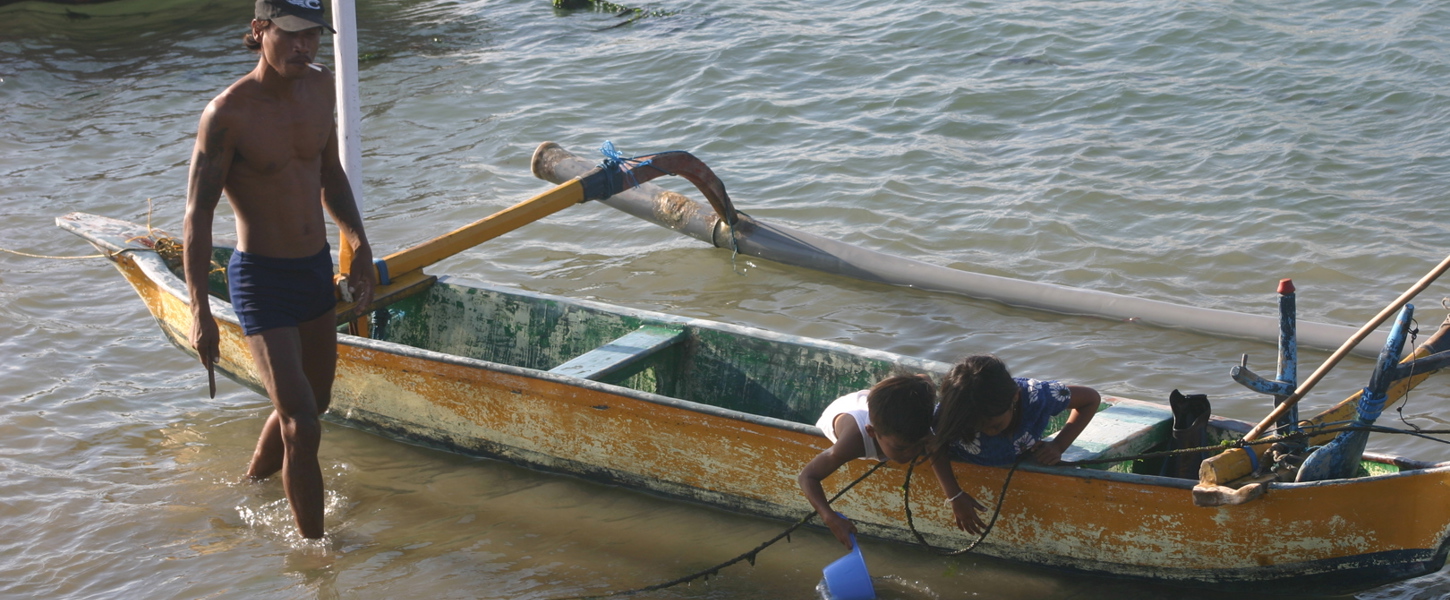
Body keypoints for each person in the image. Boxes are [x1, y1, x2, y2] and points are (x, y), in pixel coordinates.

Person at [183, 0, 376, 540]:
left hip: (313, 270)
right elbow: (198, 214)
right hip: (261, 281)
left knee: (316, 403)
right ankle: (316, 558)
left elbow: (330, 175)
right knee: (302, 423)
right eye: (291, 34)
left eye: (313, 35)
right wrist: (200, 310)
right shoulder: (227, 114)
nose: (304, 46)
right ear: (258, 31)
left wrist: (358, 242)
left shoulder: (320, 88)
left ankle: (252, 482)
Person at [929, 355, 1099, 535]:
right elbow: (934, 444)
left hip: (1019, 449)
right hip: (965, 454)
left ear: (1015, 398)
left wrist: (1058, 445)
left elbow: (1091, 399)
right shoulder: (952, 413)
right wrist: (954, 495)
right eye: (977, 427)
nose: (989, 432)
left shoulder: (1036, 396)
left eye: (995, 425)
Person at [798, 374, 936, 549]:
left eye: (919, 444)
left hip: (870, 403)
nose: (911, 454)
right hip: (844, 409)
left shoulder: (918, 427)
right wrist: (830, 518)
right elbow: (807, 476)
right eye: (900, 449)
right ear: (872, 432)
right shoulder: (852, 442)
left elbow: (925, 379)